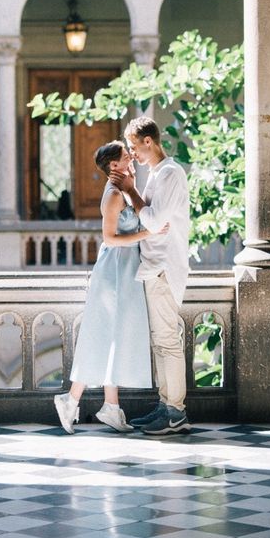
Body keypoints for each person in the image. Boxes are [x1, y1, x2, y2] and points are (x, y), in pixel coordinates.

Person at [53, 139, 168, 434]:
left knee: (116, 336)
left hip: (126, 270)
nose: (130, 155)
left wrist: (132, 187)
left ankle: (110, 406)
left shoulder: (124, 188)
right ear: (113, 165)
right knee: (106, 334)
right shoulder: (113, 196)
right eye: (124, 154)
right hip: (114, 271)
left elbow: (140, 208)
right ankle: (72, 398)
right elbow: (110, 239)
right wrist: (146, 233)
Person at [109, 115, 191, 435]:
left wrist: (130, 190)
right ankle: (165, 404)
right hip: (153, 268)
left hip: (165, 269)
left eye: (134, 147)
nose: (133, 155)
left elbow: (154, 222)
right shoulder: (157, 174)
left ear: (149, 141)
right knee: (160, 341)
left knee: (168, 341)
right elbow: (150, 220)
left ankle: (176, 412)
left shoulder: (170, 174)